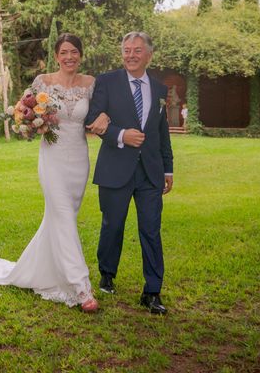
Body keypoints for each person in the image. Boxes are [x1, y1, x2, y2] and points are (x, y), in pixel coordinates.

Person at [0, 33, 108, 313]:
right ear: (56, 55)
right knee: (62, 216)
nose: (69, 57)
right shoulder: (43, 83)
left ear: (81, 55)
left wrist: (105, 117)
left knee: (61, 219)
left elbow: (98, 116)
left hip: (78, 159)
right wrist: (30, 123)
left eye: (74, 52)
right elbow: (22, 111)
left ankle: (43, 271)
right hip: (51, 158)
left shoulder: (91, 84)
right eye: (64, 52)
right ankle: (81, 288)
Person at [85, 31, 174, 315]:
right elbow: (92, 119)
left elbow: (162, 132)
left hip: (150, 172)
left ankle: (152, 291)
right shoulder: (107, 82)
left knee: (151, 229)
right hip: (115, 167)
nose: (131, 55)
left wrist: (168, 167)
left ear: (149, 54)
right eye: (126, 50)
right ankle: (107, 273)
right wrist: (122, 134)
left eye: (137, 50)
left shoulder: (160, 89)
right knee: (113, 225)